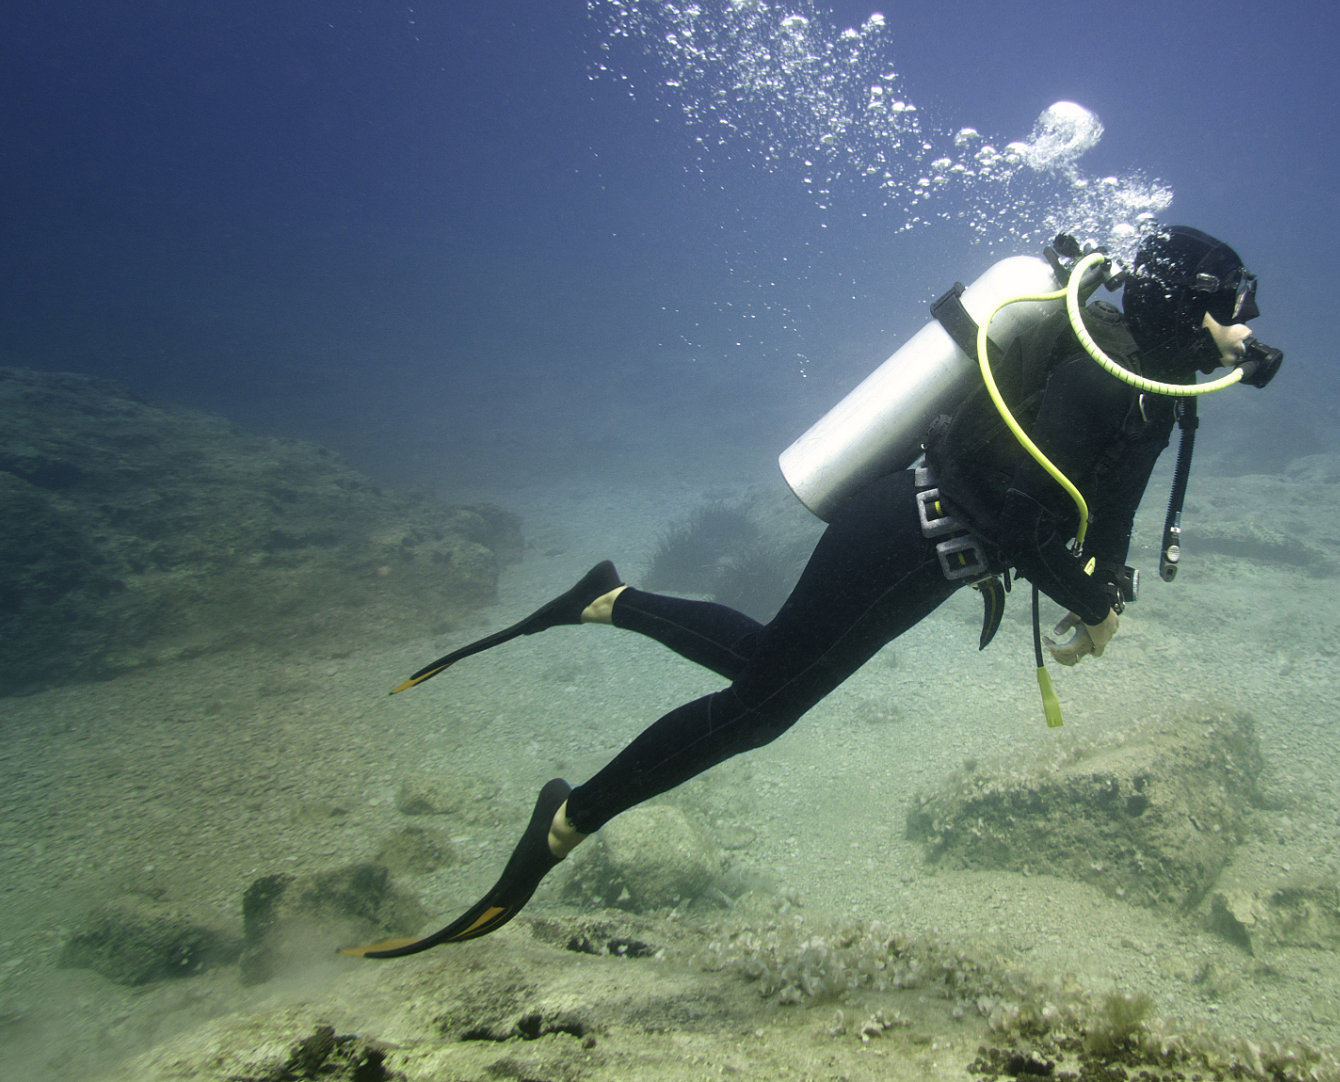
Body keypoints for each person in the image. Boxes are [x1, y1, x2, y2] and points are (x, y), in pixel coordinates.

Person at [344, 225, 1277, 958]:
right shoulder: (1105, 377)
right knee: (761, 709)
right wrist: (1090, 598)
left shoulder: (1154, 394)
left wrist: (1104, 585)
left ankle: (609, 599)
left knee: (771, 665)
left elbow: (1107, 513)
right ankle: (562, 826)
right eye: (1235, 305)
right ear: (1186, 306)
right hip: (907, 529)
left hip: (934, 556)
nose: (1247, 328)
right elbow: (1029, 520)